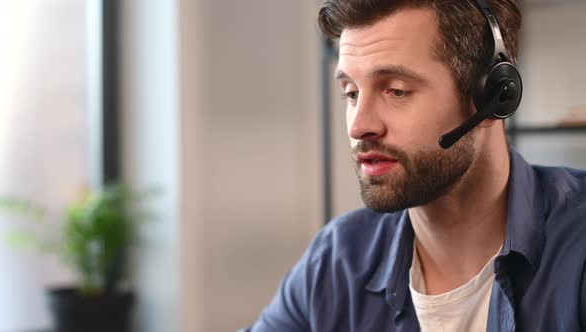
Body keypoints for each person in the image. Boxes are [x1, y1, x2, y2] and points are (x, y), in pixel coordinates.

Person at [244, 0, 586, 331]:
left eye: (395, 90)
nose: (358, 125)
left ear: (494, 96)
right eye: (351, 92)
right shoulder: (338, 260)